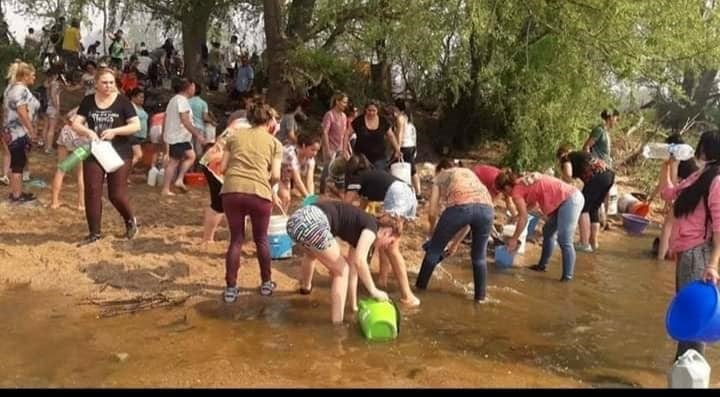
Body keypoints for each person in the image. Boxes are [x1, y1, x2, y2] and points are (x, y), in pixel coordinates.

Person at [661, 130, 720, 365]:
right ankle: (683, 368)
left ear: (704, 149)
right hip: (686, 254)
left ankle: (689, 373)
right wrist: (667, 166)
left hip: (699, 255)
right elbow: (669, 194)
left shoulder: (716, 181)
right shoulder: (700, 176)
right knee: (687, 313)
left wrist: (713, 265)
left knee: (695, 319)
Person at [287, 200, 391, 323]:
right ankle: (337, 325)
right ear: (387, 232)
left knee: (311, 254)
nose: (388, 246)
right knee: (342, 271)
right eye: (391, 241)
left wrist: (354, 307)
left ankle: (305, 288)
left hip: (295, 220)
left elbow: (354, 270)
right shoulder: (372, 228)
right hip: (312, 222)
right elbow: (360, 261)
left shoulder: (362, 226)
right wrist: (374, 291)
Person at [220, 100, 282, 302]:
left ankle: (231, 288)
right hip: (259, 193)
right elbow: (276, 175)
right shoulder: (275, 143)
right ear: (270, 121)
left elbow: (222, 168)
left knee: (236, 239)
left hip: (231, 191)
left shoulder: (234, 136)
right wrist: (265, 181)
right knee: (261, 240)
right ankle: (266, 284)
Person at [71, 67, 140, 245]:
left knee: (116, 194)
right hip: (96, 150)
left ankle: (130, 220)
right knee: (92, 191)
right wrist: (88, 132)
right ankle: (94, 233)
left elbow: (135, 126)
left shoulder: (123, 102)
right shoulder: (88, 101)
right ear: (96, 84)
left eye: (111, 82)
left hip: (120, 152)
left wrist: (115, 131)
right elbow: (76, 123)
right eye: (104, 82)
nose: (108, 86)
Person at [344, 154, 420, 306]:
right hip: (408, 193)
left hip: (397, 195)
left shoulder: (358, 177)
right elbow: (362, 208)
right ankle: (383, 281)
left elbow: (345, 205)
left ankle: (408, 296)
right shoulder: (371, 178)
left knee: (391, 247)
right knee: (386, 244)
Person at [415, 159, 495, 302]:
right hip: (487, 209)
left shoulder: (440, 176)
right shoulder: (469, 173)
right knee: (479, 258)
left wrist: (433, 234)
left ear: (440, 170)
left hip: (460, 208)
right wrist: (455, 243)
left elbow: (433, 212)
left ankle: (419, 290)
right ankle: (480, 299)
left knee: (434, 251)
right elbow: (470, 218)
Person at [495, 171, 584, 281]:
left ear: (507, 187)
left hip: (570, 200)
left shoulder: (515, 192)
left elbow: (524, 218)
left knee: (564, 240)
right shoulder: (521, 183)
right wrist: (518, 216)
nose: (504, 195)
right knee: (548, 231)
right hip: (566, 199)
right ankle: (542, 266)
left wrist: (514, 239)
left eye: (503, 191)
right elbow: (532, 204)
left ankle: (567, 278)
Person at [198, 116, 252, 245]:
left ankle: (212, 238)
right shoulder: (251, 131)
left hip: (210, 159)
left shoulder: (240, 121)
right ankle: (211, 239)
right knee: (221, 205)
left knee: (223, 204)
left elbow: (220, 139)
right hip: (218, 165)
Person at [648, 134, 700, 261]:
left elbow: (673, 183)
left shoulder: (678, 158)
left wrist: (672, 200)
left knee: (668, 225)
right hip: (693, 194)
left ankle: (660, 260)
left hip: (688, 193)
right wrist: (650, 199)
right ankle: (671, 255)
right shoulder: (686, 158)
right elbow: (663, 184)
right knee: (675, 225)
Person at [557, 145, 615, 252]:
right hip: (609, 175)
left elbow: (568, 175)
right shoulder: (582, 155)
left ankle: (584, 243)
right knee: (593, 208)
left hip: (597, 177)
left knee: (583, 208)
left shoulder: (566, 158)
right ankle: (594, 243)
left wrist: (565, 183)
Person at [2, 61, 40, 203]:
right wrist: (31, 131)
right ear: (25, 75)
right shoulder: (21, 90)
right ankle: (16, 196)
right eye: (33, 75)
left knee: (16, 162)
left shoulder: (9, 88)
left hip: (10, 131)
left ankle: (16, 191)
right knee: (18, 164)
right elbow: (22, 112)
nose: (34, 78)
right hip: (18, 132)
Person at [161, 78, 205, 196]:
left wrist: (164, 133)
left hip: (181, 136)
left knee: (191, 156)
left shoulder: (174, 100)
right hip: (177, 136)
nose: (194, 89)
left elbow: (165, 118)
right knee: (173, 162)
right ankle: (165, 189)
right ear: (189, 87)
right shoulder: (181, 100)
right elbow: (185, 120)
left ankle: (179, 180)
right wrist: (198, 134)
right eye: (194, 87)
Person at [347, 100, 401, 172]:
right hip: (361, 157)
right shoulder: (358, 121)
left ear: (377, 110)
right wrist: (344, 149)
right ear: (365, 109)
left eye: (374, 110)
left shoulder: (383, 121)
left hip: (379, 157)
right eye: (369, 110)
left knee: (379, 176)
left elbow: (391, 136)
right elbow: (346, 134)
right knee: (363, 178)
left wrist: (397, 149)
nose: (371, 113)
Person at [50, 107, 87, 209]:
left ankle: (54, 202)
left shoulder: (83, 105)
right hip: (82, 137)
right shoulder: (99, 109)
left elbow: (67, 117)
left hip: (67, 133)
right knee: (80, 172)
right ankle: (81, 204)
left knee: (61, 168)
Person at [277, 134, 321, 213]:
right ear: (304, 146)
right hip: (273, 171)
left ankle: (283, 217)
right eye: (312, 149)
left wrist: (311, 198)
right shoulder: (290, 154)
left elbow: (310, 180)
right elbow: (297, 180)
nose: (315, 153)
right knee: (285, 196)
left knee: (287, 199)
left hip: (285, 175)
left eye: (317, 151)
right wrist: (308, 199)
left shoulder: (310, 159)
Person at [391, 99, 422, 198]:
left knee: (394, 167)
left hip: (404, 146)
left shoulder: (400, 118)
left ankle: (409, 192)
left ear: (397, 107)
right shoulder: (408, 117)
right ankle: (417, 192)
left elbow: (400, 134)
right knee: (412, 169)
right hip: (411, 146)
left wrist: (397, 149)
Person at [318, 93, 348, 194]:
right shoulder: (329, 115)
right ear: (337, 102)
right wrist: (327, 149)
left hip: (339, 147)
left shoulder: (344, 116)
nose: (345, 104)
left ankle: (338, 192)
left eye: (346, 102)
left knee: (339, 171)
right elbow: (325, 132)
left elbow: (344, 134)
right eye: (344, 102)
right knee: (327, 170)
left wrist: (345, 149)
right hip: (330, 146)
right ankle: (322, 192)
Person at [187, 82, 217, 158]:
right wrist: (212, 122)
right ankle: (198, 168)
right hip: (199, 128)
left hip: (188, 127)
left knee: (189, 149)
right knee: (198, 150)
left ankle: (190, 168)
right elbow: (205, 117)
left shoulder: (186, 101)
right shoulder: (203, 103)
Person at [41, 68, 62, 155]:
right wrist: (57, 108)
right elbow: (53, 96)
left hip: (45, 106)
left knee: (45, 127)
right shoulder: (55, 83)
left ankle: (45, 146)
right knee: (51, 128)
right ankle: (49, 148)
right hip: (52, 107)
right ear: (55, 75)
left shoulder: (46, 83)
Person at [128, 88, 149, 171]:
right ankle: (124, 172)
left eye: (143, 97)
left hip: (140, 135)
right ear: (133, 97)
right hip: (133, 134)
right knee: (138, 155)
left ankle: (126, 176)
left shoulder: (140, 108)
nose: (142, 99)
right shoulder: (130, 106)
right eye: (140, 97)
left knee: (134, 156)